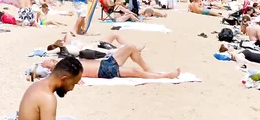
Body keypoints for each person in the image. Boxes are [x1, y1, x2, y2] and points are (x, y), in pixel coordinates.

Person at [43, 44, 181, 79]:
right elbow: (73, 77)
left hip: (105, 62)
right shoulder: (61, 71)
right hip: (105, 71)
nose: (50, 59)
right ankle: (165, 76)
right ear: (50, 69)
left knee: (130, 47)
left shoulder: (63, 61)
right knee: (135, 72)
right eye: (48, 62)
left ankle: (149, 69)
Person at [19, 57, 83, 120]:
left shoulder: (37, 85)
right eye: (73, 84)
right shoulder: (47, 98)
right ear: (64, 79)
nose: (72, 89)